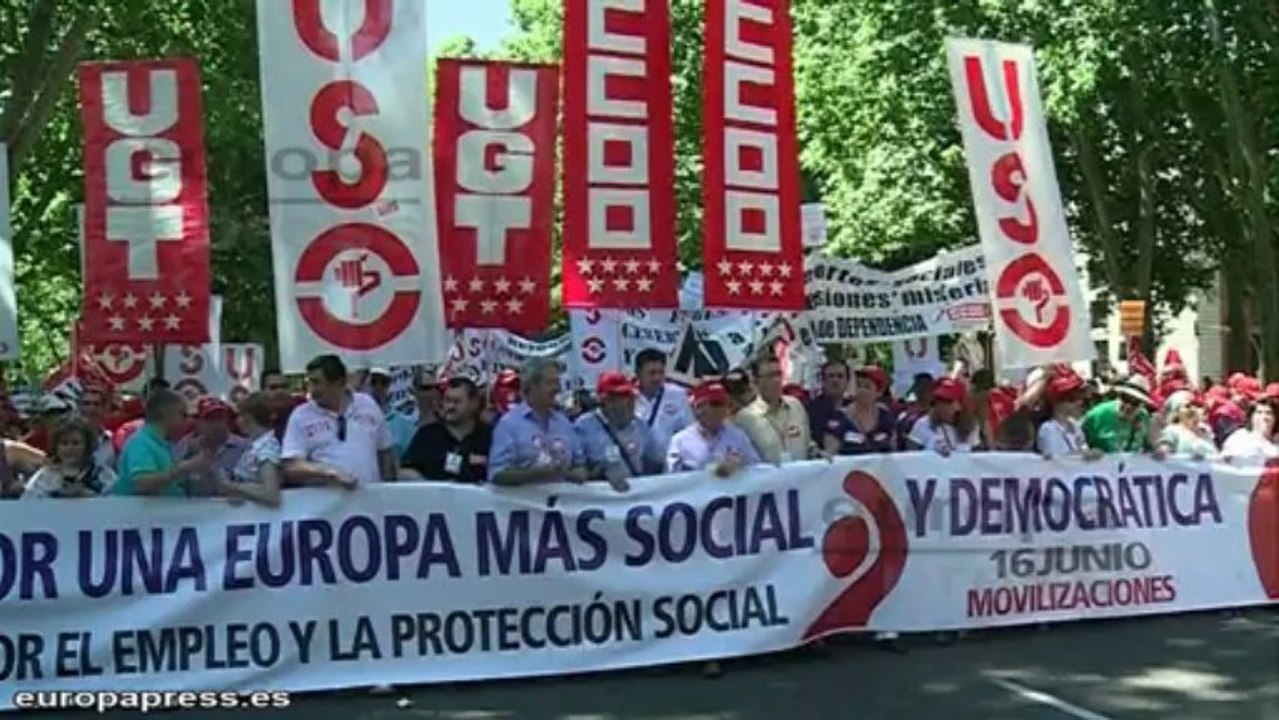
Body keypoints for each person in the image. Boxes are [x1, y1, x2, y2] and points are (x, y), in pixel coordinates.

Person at [282, 354, 395, 488]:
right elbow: (291, 465)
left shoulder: (367, 404)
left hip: (369, 500)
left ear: (339, 383)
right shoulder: (301, 415)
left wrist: (388, 490)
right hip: (326, 503)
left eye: (316, 382)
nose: (311, 390)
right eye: (309, 382)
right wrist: (328, 472)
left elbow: (385, 451)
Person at [489, 358, 587, 485]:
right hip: (522, 503)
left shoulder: (564, 423)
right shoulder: (509, 425)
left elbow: (580, 465)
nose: (557, 388)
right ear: (532, 386)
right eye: (550, 383)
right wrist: (535, 474)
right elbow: (496, 475)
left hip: (562, 502)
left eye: (558, 382)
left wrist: (578, 473)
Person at [114, 389, 210, 497]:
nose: (187, 420)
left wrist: (190, 458)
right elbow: (142, 483)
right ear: (167, 414)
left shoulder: (161, 444)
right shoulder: (141, 442)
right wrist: (185, 468)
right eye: (183, 414)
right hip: (139, 512)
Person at [574, 372, 661, 491]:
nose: (630, 402)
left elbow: (655, 466)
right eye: (623, 397)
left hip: (636, 499)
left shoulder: (641, 426)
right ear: (606, 401)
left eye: (631, 396)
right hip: (601, 499)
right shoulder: (584, 427)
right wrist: (601, 471)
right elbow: (576, 470)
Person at [401, 377, 493, 484]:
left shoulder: (489, 435)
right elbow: (405, 471)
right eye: (447, 400)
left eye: (457, 402)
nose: (450, 406)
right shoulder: (427, 435)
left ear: (473, 403)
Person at [667, 380, 761, 475]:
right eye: (715, 404)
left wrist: (741, 465)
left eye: (724, 404)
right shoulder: (680, 441)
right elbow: (671, 477)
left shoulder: (738, 437)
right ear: (698, 409)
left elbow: (756, 468)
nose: (721, 409)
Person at [735, 355, 813, 464]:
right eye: (771, 376)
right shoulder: (745, 418)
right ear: (756, 381)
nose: (777, 380)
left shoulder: (796, 406)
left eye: (779, 374)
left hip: (800, 478)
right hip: (769, 480)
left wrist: (818, 453)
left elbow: (808, 445)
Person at [21, 419, 118, 499]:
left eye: (75, 443)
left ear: (87, 446)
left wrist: (85, 495)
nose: (69, 449)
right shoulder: (44, 476)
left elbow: (115, 505)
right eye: (64, 443)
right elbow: (28, 504)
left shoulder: (104, 475)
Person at [220, 392, 283, 507]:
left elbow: (271, 494)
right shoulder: (254, 445)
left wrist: (234, 486)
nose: (237, 420)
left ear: (248, 417)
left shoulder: (266, 447)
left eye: (239, 415)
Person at [176, 397, 249, 497]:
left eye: (220, 418)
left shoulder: (243, 447)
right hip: (194, 508)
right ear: (199, 422)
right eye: (210, 420)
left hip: (231, 508)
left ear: (227, 420)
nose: (216, 424)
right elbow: (174, 480)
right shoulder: (186, 445)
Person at [633, 349, 695, 460]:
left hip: (668, 466)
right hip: (635, 464)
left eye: (661, 372)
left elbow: (689, 431)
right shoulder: (628, 396)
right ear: (638, 373)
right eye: (652, 373)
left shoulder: (677, 395)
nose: (657, 378)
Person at [824, 365, 896, 456]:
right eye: (858, 385)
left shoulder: (885, 416)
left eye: (867, 387)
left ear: (879, 392)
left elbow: (894, 451)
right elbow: (830, 453)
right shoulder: (839, 417)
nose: (861, 390)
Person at [1081, 375, 1161, 455]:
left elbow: (1150, 447)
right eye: (1125, 398)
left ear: (1143, 405)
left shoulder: (1144, 418)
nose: (1128, 406)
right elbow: (1079, 444)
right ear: (1119, 395)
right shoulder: (1097, 415)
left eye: (1135, 403)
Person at [1036, 368, 1101, 460]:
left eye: (1081, 397)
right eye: (1072, 399)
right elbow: (1056, 461)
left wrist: (1093, 454)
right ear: (1056, 402)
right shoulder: (1048, 429)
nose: (1079, 402)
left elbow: (1084, 449)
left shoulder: (1074, 425)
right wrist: (1083, 456)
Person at [907, 378, 980, 455]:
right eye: (939, 400)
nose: (942, 406)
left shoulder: (971, 426)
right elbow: (910, 456)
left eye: (948, 401)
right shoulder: (923, 424)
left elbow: (978, 458)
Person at [389, 369, 442, 460]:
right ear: (414, 391)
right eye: (426, 388)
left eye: (438, 387)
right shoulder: (402, 426)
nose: (433, 392)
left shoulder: (451, 424)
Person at [1158, 391, 1217, 458]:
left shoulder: (1205, 430)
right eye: (1187, 406)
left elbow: (1215, 452)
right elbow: (1165, 446)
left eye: (1195, 405)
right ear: (1177, 412)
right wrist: (1162, 451)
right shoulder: (1172, 430)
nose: (1192, 409)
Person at [805, 360, 851, 440]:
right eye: (831, 376)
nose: (835, 380)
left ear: (847, 381)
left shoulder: (855, 408)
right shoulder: (809, 409)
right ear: (823, 381)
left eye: (840, 376)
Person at [78, 386, 116, 469]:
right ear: (79, 407)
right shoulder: (65, 438)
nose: (91, 408)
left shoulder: (112, 441)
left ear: (105, 408)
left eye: (96, 404)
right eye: (86, 403)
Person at [895, 374, 935, 451]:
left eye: (927, 386)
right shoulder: (904, 416)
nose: (923, 389)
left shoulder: (936, 413)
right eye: (919, 385)